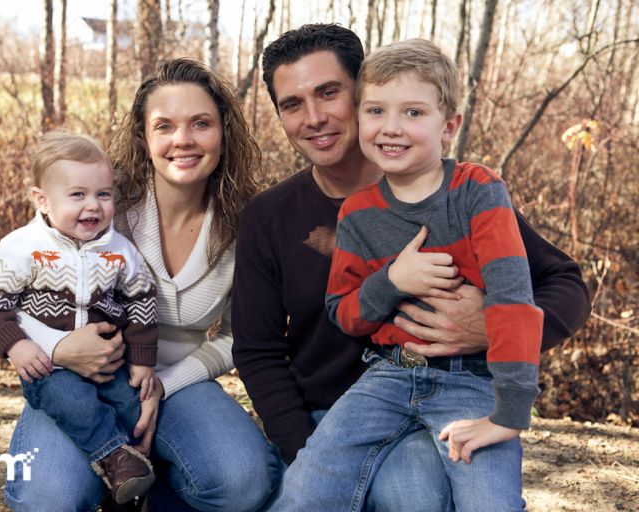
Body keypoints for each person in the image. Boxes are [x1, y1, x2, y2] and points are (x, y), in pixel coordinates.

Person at [231, 24, 591, 511]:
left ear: (361, 91)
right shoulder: (270, 217)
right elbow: (258, 352)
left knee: (417, 494)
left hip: (451, 392)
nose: (314, 117)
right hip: (339, 413)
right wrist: (301, 451)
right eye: (292, 104)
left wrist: (489, 328)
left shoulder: (461, 194)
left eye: (329, 93)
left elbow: (563, 283)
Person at [0, 58, 280, 512]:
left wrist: (163, 385)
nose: (183, 140)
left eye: (201, 123)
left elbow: (237, 337)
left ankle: (152, 491)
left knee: (243, 481)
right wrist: (56, 348)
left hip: (175, 382)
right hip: (76, 380)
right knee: (48, 497)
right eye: (164, 125)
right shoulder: (103, 204)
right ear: (144, 136)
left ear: (223, 132)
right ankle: (111, 468)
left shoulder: (244, 223)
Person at [0, 132, 159, 505]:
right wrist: (17, 344)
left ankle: (130, 489)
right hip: (50, 368)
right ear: (42, 200)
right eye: (77, 195)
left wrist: (143, 360)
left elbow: (142, 300)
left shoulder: (119, 250)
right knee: (74, 403)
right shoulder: (24, 247)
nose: (93, 206)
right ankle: (115, 459)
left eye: (103, 194)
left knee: (133, 409)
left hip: (110, 365)